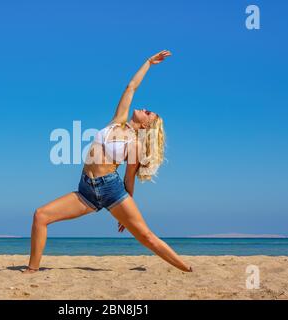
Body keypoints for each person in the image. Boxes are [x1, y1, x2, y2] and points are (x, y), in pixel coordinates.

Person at [24, 50, 192, 273]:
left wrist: (127, 209)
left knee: (146, 236)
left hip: (112, 189)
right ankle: (32, 269)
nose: (143, 108)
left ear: (146, 126)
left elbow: (128, 178)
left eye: (148, 112)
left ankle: (186, 268)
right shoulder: (118, 121)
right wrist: (148, 63)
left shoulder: (136, 145)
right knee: (40, 215)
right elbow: (131, 87)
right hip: (86, 190)